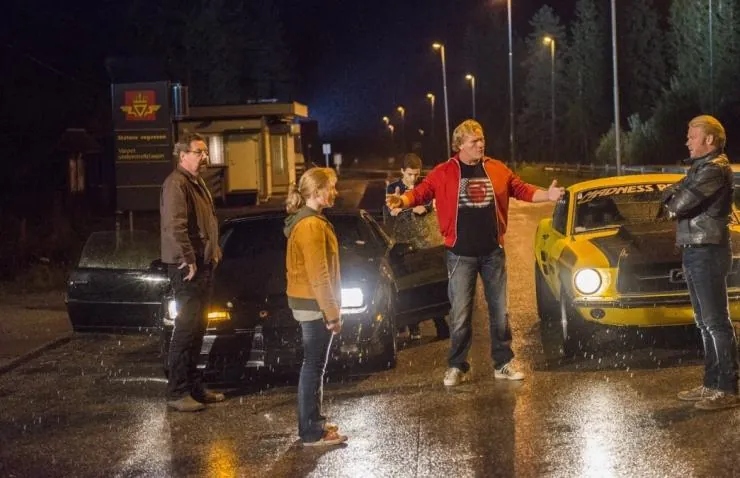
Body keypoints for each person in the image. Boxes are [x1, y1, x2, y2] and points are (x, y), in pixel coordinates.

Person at [386, 119, 564, 387]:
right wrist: (402, 200)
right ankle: (456, 366)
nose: (481, 145)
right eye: (474, 141)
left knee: (500, 312)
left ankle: (503, 363)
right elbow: (422, 193)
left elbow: (521, 189)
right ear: (460, 145)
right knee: (460, 314)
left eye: (482, 140)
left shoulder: (496, 168)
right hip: (460, 255)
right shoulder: (445, 171)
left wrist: (547, 195)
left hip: (493, 252)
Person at [663, 115, 739, 410]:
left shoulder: (714, 169)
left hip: (708, 250)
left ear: (709, 140)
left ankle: (727, 388)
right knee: (704, 321)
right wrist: (674, 197)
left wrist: (674, 199)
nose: (687, 142)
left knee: (716, 322)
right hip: (694, 248)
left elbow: (678, 203)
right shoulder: (699, 167)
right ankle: (711, 383)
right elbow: (672, 196)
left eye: (692, 136)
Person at [161, 132, 225, 412]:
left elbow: (207, 221)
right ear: (183, 154)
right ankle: (177, 392)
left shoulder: (196, 182)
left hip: (202, 262)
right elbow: (175, 226)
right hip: (187, 267)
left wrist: (214, 249)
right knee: (186, 329)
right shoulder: (176, 184)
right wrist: (188, 259)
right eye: (199, 152)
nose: (204, 157)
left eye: (205, 152)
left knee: (198, 328)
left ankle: (193, 386)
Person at [284, 167, 348, 446]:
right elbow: (319, 274)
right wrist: (332, 314)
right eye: (331, 187)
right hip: (314, 305)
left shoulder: (309, 220)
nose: (335, 192)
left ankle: (313, 422)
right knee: (313, 365)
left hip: (312, 302)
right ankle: (311, 430)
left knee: (314, 364)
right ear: (318, 191)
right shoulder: (310, 225)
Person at [384, 153, 450, 340]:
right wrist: (410, 208)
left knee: (429, 282)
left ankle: (440, 323)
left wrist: (409, 208)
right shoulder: (393, 188)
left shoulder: (425, 185)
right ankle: (413, 326)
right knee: (408, 283)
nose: (413, 178)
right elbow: (392, 210)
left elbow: (427, 207)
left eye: (416, 174)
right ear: (402, 171)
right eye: (410, 174)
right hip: (404, 242)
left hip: (426, 241)